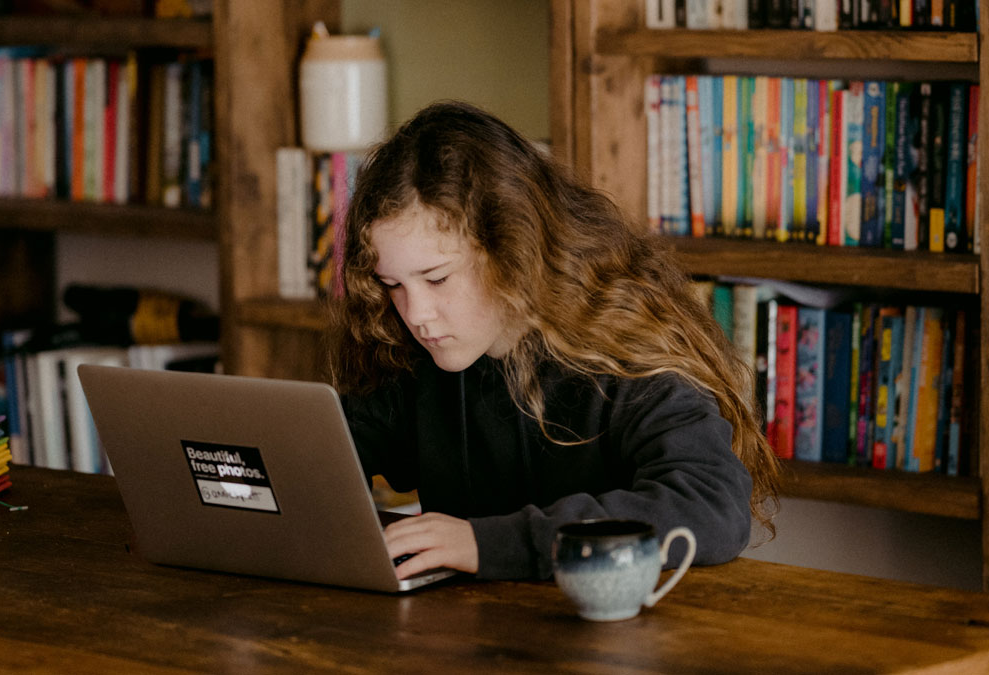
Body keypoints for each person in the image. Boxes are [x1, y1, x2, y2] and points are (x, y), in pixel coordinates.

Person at [329, 101, 780, 582]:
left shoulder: (627, 346)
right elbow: (333, 458)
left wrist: (485, 544)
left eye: (437, 279)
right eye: (393, 284)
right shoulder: (411, 351)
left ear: (513, 250)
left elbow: (710, 506)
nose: (416, 314)